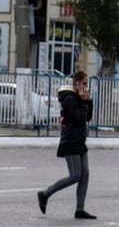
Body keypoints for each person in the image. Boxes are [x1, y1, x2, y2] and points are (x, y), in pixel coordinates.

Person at [37, 70, 96, 220]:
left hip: (80, 141)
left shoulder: (79, 97)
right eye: (84, 83)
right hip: (70, 141)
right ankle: (45, 194)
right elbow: (79, 118)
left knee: (85, 176)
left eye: (86, 84)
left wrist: (88, 100)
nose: (86, 86)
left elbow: (88, 117)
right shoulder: (69, 98)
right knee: (75, 175)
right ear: (76, 84)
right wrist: (83, 101)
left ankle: (80, 210)